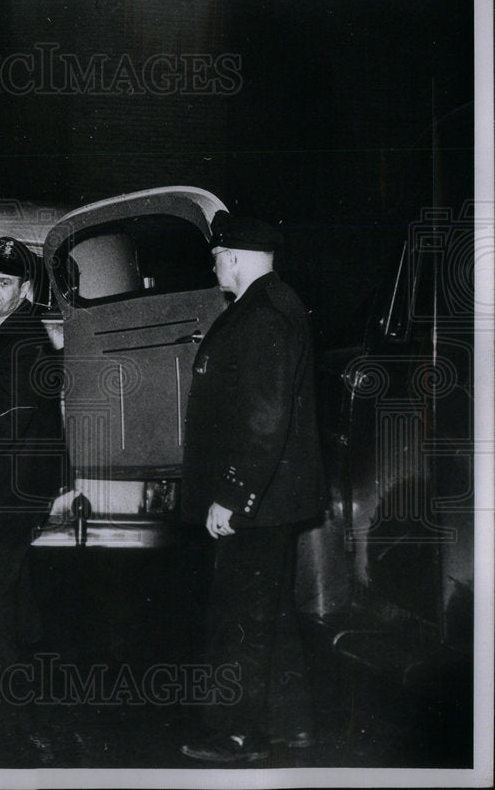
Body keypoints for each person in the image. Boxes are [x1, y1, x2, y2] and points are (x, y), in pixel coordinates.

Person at [178, 212, 324, 762]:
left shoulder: (261, 315)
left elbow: (265, 420)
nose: (214, 264)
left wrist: (233, 496)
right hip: (277, 496)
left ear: (233, 257)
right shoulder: (272, 305)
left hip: (257, 499)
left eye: (217, 256)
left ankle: (237, 734)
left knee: (240, 617)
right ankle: (292, 725)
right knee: (271, 613)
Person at [0, 236, 67, 669]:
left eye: (4, 283)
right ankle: (30, 643)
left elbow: (6, 422)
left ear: (25, 290)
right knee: (10, 565)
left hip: (17, 479)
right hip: (8, 473)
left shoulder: (27, 340)